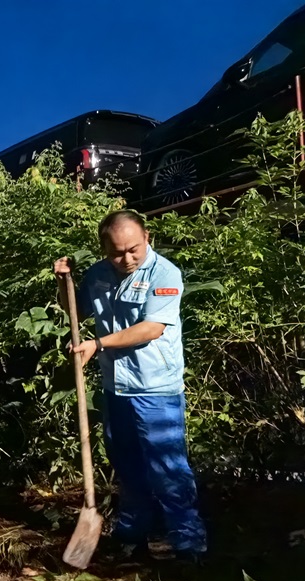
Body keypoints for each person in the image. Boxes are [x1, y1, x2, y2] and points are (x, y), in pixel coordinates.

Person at [53, 210, 206, 562]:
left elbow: (151, 328)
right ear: (105, 248)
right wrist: (64, 282)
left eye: (133, 249)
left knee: (167, 466)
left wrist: (98, 344)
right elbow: (74, 308)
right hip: (116, 386)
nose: (126, 258)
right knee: (127, 464)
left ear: (147, 237)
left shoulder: (164, 274)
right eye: (117, 252)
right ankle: (132, 536)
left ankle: (187, 542)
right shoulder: (98, 274)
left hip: (157, 389)